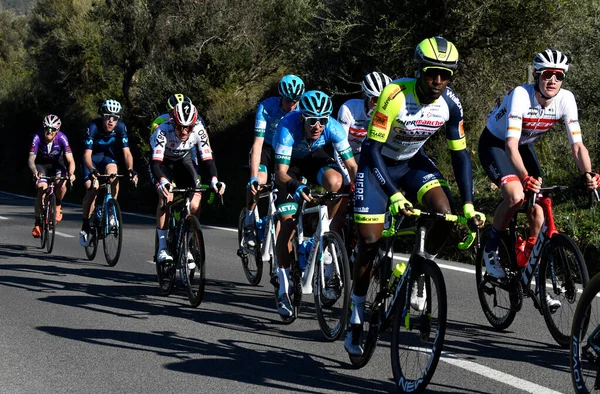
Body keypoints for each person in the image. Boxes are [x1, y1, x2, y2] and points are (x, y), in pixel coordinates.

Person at [344, 36, 484, 356]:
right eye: (432, 72)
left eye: (445, 75)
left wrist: (469, 204)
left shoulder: (450, 104)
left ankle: (418, 273)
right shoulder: (393, 95)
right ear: (420, 70)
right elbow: (373, 150)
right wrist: (393, 194)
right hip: (377, 164)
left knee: (446, 214)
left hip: (411, 163)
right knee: (370, 240)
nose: (438, 81)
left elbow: (461, 156)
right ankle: (355, 315)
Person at [479, 49, 599, 282]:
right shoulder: (521, 96)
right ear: (536, 76)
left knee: (539, 200)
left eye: (559, 76)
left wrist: (588, 174)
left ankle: (530, 260)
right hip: (496, 143)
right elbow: (510, 146)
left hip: (523, 145)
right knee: (516, 195)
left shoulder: (566, 99)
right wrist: (524, 178)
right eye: (547, 75)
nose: (553, 80)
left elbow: (577, 147)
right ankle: (490, 248)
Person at [272, 90, 357, 317]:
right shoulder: (288, 126)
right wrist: (296, 186)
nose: (317, 126)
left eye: (322, 121)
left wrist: (360, 187)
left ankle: (326, 235)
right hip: (290, 168)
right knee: (288, 225)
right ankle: (283, 286)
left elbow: (351, 166)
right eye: (312, 121)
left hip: (315, 159)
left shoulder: (334, 127)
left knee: (337, 182)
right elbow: (280, 172)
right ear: (302, 117)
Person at [150, 101, 226, 265]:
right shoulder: (163, 131)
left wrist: (214, 180)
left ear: (194, 125)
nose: (184, 131)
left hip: (183, 160)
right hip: (162, 163)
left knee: (195, 202)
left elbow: (207, 160)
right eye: (180, 127)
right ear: (173, 122)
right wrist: (163, 182)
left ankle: (189, 246)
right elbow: (155, 163)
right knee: (166, 198)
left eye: (188, 127)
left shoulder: (199, 130)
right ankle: (162, 247)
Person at [242, 75, 305, 247]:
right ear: (281, 96)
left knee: (289, 188)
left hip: (287, 152)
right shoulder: (267, 107)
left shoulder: (301, 111)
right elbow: (257, 143)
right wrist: (253, 176)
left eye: (295, 101)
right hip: (267, 149)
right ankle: (249, 222)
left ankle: (279, 247)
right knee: (260, 182)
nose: (292, 105)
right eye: (288, 101)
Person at [79, 99, 138, 247]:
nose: (111, 121)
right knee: (93, 189)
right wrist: (92, 170)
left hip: (107, 157)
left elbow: (127, 153)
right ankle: (86, 224)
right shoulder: (93, 127)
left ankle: (111, 210)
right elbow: (86, 155)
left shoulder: (121, 127)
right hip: (91, 159)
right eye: (108, 117)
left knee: (114, 175)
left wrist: (131, 170)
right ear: (102, 116)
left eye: (115, 118)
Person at [336, 71, 392, 183]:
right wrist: (349, 179)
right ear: (365, 95)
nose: (380, 104)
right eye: (375, 99)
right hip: (344, 153)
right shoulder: (349, 109)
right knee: (342, 184)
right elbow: (339, 148)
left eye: (383, 100)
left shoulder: (388, 112)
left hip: (364, 153)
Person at [28, 115, 76, 237]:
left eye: (53, 129)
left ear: (57, 131)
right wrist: (34, 171)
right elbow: (31, 159)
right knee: (42, 188)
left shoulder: (62, 138)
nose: (49, 132)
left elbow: (70, 160)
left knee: (62, 185)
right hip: (42, 165)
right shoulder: (37, 137)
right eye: (47, 128)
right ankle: (38, 222)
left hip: (57, 165)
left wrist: (71, 174)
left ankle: (58, 204)